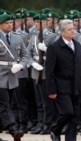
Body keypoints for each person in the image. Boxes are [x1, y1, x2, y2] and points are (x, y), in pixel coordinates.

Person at [45, 19, 81, 141]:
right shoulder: (54, 47)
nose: (73, 31)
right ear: (62, 32)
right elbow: (49, 71)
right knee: (68, 112)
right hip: (61, 87)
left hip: (76, 86)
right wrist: (51, 90)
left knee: (75, 117)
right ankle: (56, 129)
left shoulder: (77, 45)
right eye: (70, 29)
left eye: (73, 29)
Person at [0, 12, 29, 141]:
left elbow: (25, 55)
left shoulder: (17, 37)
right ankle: (13, 129)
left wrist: (21, 65)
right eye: (7, 23)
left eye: (11, 22)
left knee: (8, 104)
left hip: (12, 74)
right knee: (4, 104)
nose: (10, 25)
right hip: (0, 74)